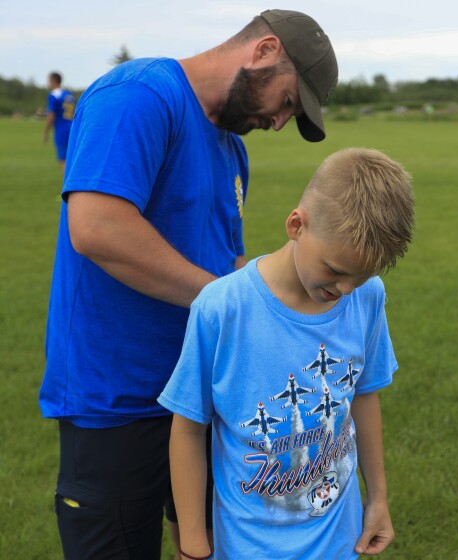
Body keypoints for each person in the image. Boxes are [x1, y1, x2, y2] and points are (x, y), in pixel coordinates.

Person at [38, 9, 338, 559]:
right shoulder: (140, 94)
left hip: (201, 400)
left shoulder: (233, 151)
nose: (278, 123)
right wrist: (232, 302)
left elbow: (230, 262)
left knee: (205, 547)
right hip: (117, 400)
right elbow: (97, 228)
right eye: (289, 103)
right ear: (265, 50)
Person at [159, 147, 414, 559]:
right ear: (297, 225)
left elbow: (364, 395)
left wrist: (378, 499)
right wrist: (192, 544)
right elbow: (188, 428)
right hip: (248, 546)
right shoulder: (222, 308)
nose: (346, 288)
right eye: (335, 270)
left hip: (339, 542)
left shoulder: (367, 297)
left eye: (362, 276)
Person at [42, 71, 76, 172]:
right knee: (72, 159)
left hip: (61, 130)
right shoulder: (69, 95)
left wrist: (45, 131)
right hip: (72, 128)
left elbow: (52, 115)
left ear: (53, 80)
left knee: (63, 160)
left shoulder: (53, 95)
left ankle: (69, 186)